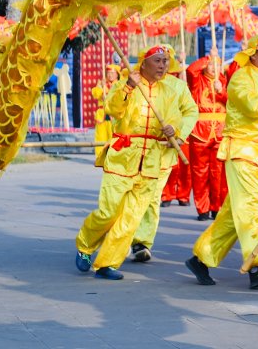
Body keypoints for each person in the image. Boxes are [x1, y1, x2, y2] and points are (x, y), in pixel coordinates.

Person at [74, 45, 197, 280]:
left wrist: (175, 130)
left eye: (165, 61)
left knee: (131, 217)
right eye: (158, 61)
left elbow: (180, 116)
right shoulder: (126, 84)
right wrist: (128, 88)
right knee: (108, 212)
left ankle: (108, 263)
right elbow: (112, 109)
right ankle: (85, 244)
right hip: (123, 157)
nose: (162, 66)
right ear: (144, 63)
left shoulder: (172, 90)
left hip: (152, 159)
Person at [185, 34, 258, 289]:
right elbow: (253, 106)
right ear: (253, 54)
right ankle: (256, 265)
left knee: (234, 215)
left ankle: (201, 258)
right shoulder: (241, 77)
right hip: (242, 150)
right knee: (253, 206)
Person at [185, 54, 229, 221]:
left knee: (218, 173)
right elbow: (190, 69)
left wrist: (221, 91)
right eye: (210, 64)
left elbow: (231, 103)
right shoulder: (197, 81)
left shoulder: (223, 81)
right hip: (200, 132)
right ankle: (202, 208)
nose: (212, 67)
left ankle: (216, 207)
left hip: (220, 132)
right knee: (200, 172)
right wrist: (209, 56)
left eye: (216, 64)